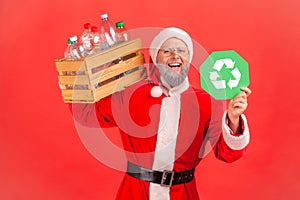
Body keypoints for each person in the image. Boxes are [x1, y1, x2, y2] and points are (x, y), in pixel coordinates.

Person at [70, 27, 252, 200]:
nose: (176, 56)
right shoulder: (131, 94)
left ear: (189, 58)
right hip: (136, 192)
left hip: (182, 194)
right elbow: (87, 114)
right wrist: (73, 79)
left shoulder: (206, 102)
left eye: (182, 50)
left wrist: (233, 118)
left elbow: (227, 153)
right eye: (167, 51)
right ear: (155, 58)